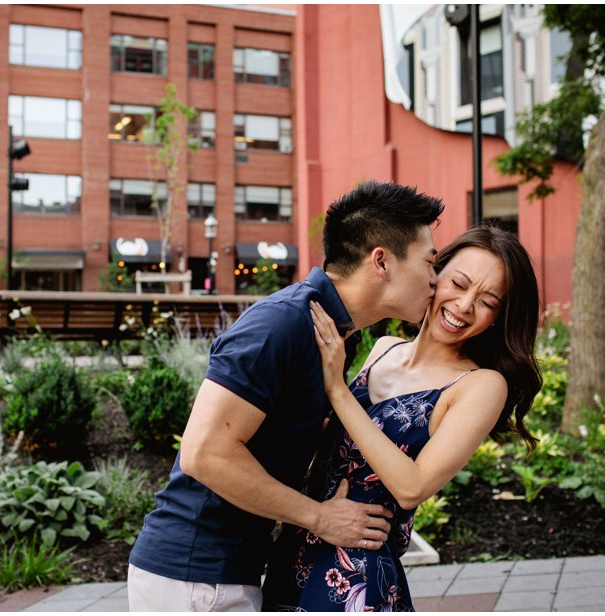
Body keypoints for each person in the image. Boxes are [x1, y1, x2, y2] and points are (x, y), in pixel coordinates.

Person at [127, 181, 445, 611]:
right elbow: (205, 453)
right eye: (430, 262)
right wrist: (320, 518)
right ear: (382, 261)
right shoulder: (284, 323)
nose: (435, 279)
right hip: (194, 579)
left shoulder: (335, 335)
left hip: (229, 571)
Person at [262, 226, 543, 611]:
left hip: (356, 577)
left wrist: (337, 389)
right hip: (295, 549)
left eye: (487, 301)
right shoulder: (384, 348)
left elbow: (412, 486)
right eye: (458, 284)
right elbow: (337, 441)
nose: (463, 305)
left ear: (499, 317)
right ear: (434, 274)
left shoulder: (481, 385)